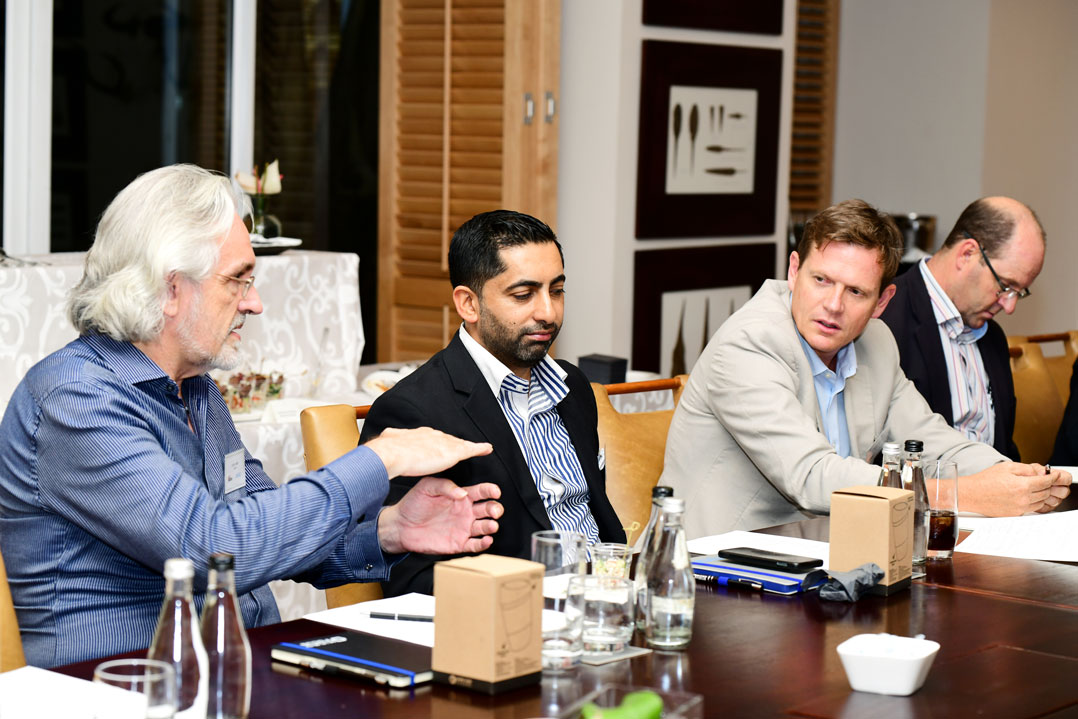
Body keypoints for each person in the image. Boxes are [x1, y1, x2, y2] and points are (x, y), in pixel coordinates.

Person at [0, 164, 505, 668]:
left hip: (229, 667)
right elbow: (215, 549)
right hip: (117, 685)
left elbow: (266, 530)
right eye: (237, 281)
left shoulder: (195, 388)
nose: (255, 303)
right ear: (171, 289)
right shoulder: (76, 397)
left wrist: (390, 530)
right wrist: (379, 458)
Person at [660, 199, 1070, 539]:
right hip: (714, 569)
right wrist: (964, 494)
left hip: (828, 555)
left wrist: (1016, 478)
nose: (833, 305)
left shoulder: (876, 341)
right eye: (822, 280)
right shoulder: (748, 343)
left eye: (856, 291)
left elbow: (933, 440)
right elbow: (811, 474)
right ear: (794, 271)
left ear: (882, 302)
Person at [360, 210, 625, 595]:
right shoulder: (413, 410)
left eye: (556, 291)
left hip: (607, 596)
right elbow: (408, 580)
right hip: (513, 613)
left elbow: (596, 518)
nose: (547, 312)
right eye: (523, 295)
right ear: (469, 304)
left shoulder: (573, 386)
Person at [879, 197, 1045, 461]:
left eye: (1019, 292)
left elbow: (1004, 448)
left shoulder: (993, 338)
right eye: (1005, 286)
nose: (1009, 306)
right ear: (967, 254)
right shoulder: (884, 321)